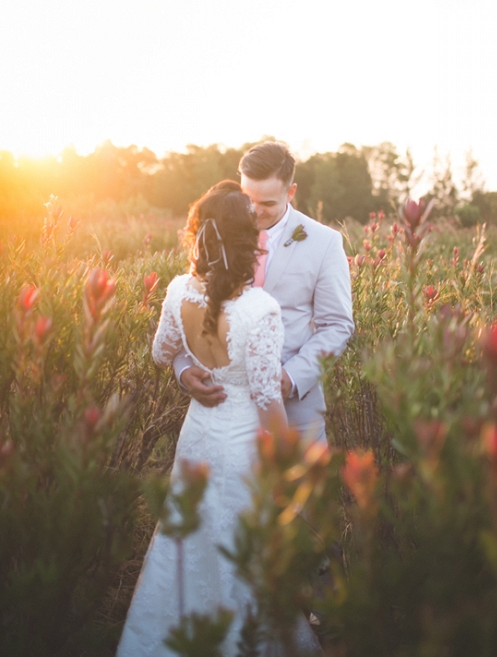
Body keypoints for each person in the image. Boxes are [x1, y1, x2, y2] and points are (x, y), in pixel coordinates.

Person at [116, 181, 321, 657]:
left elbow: (160, 352)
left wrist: (186, 369)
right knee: (240, 546)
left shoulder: (176, 291)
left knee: (189, 539)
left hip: (198, 439)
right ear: (245, 241)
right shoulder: (259, 309)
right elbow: (270, 402)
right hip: (243, 444)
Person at [175, 142, 354, 443]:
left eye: (267, 204)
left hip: (294, 413)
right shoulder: (216, 232)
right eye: (247, 199)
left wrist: (292, 377)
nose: (255, 212)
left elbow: (337, 325)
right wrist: (184, 368)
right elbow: (192, 303)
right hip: (221, 409)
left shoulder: (324, 243)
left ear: (291, 192)